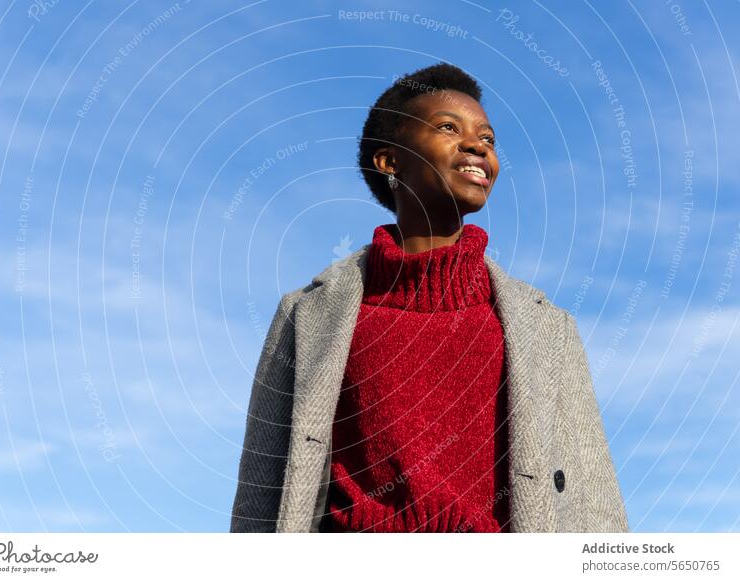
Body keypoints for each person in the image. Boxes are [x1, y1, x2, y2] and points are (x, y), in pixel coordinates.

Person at [230, 62, 629, 533]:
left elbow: (593, 492)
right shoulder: (307, 315)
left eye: (489, 137)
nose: (478, 145)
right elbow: (263, 488)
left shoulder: (547, 327)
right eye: (447, 127)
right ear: (389, 161)